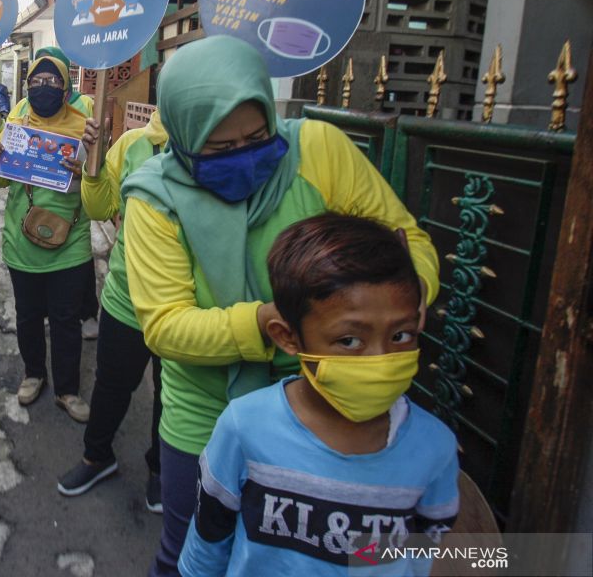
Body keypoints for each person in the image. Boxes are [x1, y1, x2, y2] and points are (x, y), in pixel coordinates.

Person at [121, 36, 439, 576]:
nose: (246, 155)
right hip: (206, 413)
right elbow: (166, 326)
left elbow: (406, 244)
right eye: (220, 149)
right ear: (181, 138)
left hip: (332, 400)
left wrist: (403, 304)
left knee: (307, 555)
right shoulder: (156, 197)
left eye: (258, 135)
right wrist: (267, 322)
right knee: (189, 551)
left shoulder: (318, 149)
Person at [179, 212, 459, 576]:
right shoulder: (245, 427)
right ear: (288, 337)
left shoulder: (434, 447)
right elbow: (209, 539)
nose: (381, 359)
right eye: (350, 341)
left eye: (401, 335)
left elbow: (428, 548)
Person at [57, 107, 167, 512]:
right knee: (112, 384)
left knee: (170, 395)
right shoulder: (134, 144)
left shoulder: (220, 149)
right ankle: (96, 456)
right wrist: (94, 165)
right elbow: (100, 209)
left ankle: (161, 470)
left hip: (188, 307)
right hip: (127, 297)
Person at [0, 54, 93, 422]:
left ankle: (67, 390)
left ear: (66, 87)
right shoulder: (17, 119)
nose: (43, 88)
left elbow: (100, 189)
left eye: (52, 81)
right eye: (36, 81)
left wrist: (90, 169)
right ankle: (33, 374)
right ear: (27, 85)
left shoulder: (84, 124)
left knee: (65, 319)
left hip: (71, 239)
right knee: (27, 315)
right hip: (22, 238)